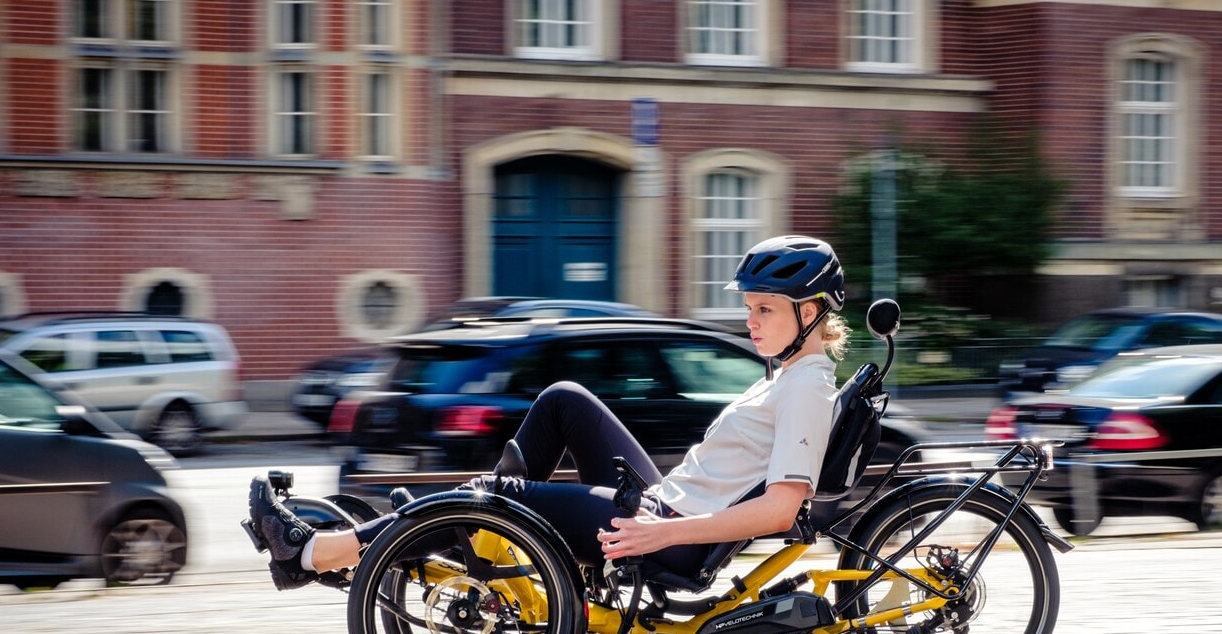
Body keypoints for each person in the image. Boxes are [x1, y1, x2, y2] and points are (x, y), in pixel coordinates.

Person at [244, 235, 850, 591]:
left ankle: (314, 553)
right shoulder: (787, 375)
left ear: (811, 312)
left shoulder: (806, 387)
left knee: (491, 498)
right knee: (564, 399)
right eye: (749, 307)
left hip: (667, 536)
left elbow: (779, 510)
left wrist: (661, 532)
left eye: (764, 309)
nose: (750, 321)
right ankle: (477, 527)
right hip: (662, 506)